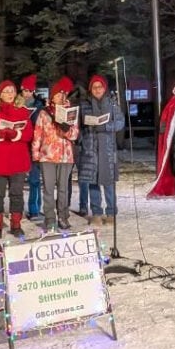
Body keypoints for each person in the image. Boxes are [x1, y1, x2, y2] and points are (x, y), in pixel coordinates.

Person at [0, 80, 33, 239]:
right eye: (6, 91)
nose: (9, 94)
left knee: (16, 193)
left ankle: (16, 225)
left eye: (12, 91)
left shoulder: (23, 111)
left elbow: (29, 134)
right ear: (0, 94)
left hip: (17, 159)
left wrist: (16, 134)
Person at [32, 76, 79, 231]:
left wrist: (66, 129)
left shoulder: (71, 112)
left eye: (63, 94)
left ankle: (63, 216)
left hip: (66, 157)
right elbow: (37, 134)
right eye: (58, 94)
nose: (61, 96)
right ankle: (50, 219)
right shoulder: (44, 113)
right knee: (48, 189)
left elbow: (74, 135)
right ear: (52, 96)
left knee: (64, 188)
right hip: (48, 156)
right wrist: (36, 154)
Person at [77, 74, 124, 225]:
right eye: (94, 87)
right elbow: (78, 125)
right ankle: (96, 212)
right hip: (90, 149)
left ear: (104, 88)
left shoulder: (112, 104)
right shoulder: (84, 105)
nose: (97, 89)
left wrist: (105, 126)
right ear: (91, 89)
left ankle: (111, 212)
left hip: (107, 149)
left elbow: (120, 122)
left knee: (108, 183)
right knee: (93, 183)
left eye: (100, 87)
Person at [20, 74, 45, 220]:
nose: (27, 93)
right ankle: (15, 209)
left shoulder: (39, 106)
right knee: (17, 180)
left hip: (34, 145)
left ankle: (35, 208)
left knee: (35, 179)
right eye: (25, 90)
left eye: (30, 90)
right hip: (20, 144)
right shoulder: (17, 103)